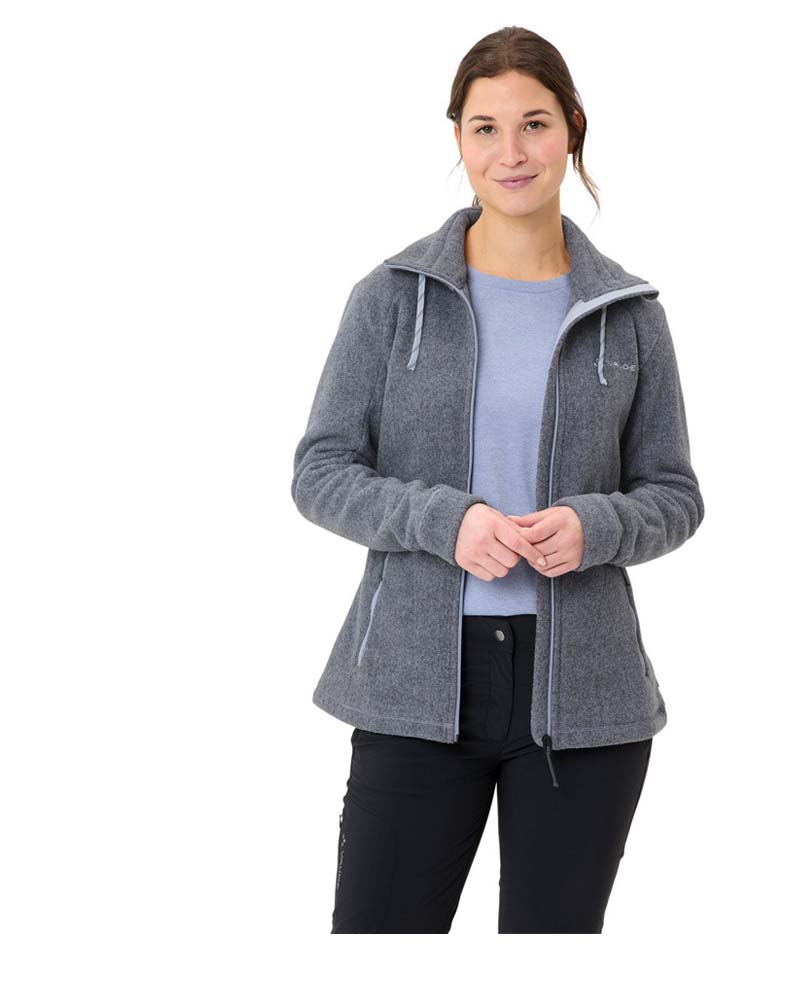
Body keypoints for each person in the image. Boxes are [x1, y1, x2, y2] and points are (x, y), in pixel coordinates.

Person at [291, 26, 705, 933]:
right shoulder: (391, 296)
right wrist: (446, 522)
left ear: (573, 129)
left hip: (584, 696)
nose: (511, 152)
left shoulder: (630, 313)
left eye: (534, 124)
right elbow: (320, 471)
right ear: (458, 139)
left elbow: (674, 494)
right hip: (413, 685)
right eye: (485, 128)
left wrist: (595, 527)